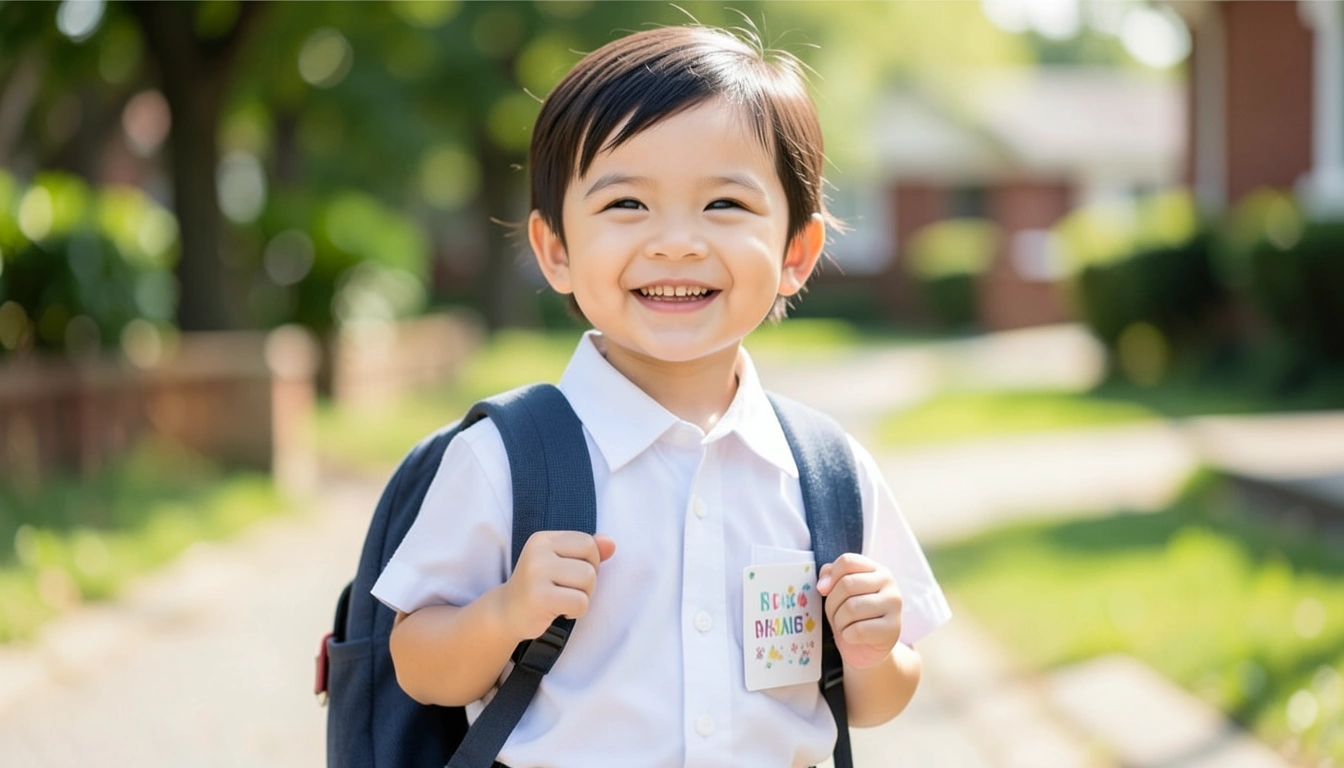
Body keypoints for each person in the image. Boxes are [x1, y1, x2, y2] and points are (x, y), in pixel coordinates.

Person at [371, 24, 951, 768]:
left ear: (795, 254)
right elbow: (418, 666)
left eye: (724, 205)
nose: (676, 243)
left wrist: (871, 648)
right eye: (626, 206)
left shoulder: (825, 472)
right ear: (556, 251)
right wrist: (506, 613)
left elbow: (874, 703)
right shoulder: (506, 460)